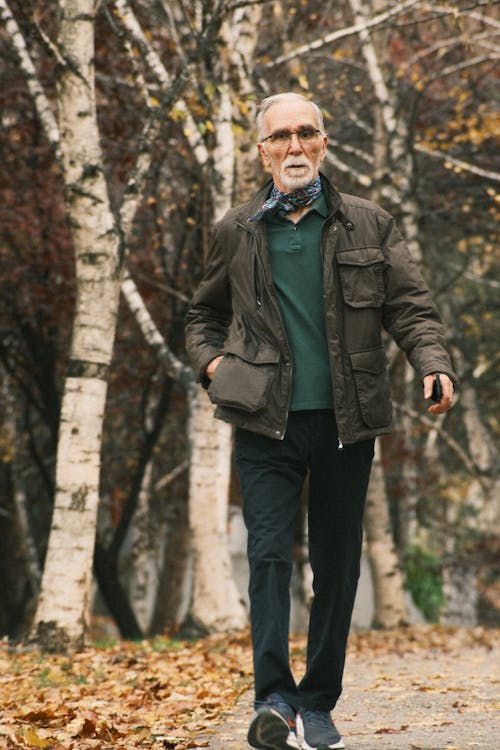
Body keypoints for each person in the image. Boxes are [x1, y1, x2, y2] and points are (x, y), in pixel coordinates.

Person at [185, 92, 456, 750]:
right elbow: (202, 315)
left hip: (345, 421)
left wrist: (432, 362)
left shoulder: (369, 224)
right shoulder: (236, 228)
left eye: (307, 133)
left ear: (325, 144)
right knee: (270, 558)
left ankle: (320, 701)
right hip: (265, 422)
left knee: (337, 567)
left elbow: (412, 307)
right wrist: (214, 366)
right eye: (281, 137)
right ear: (263, 151)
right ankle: (274, 700)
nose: (295, 147)